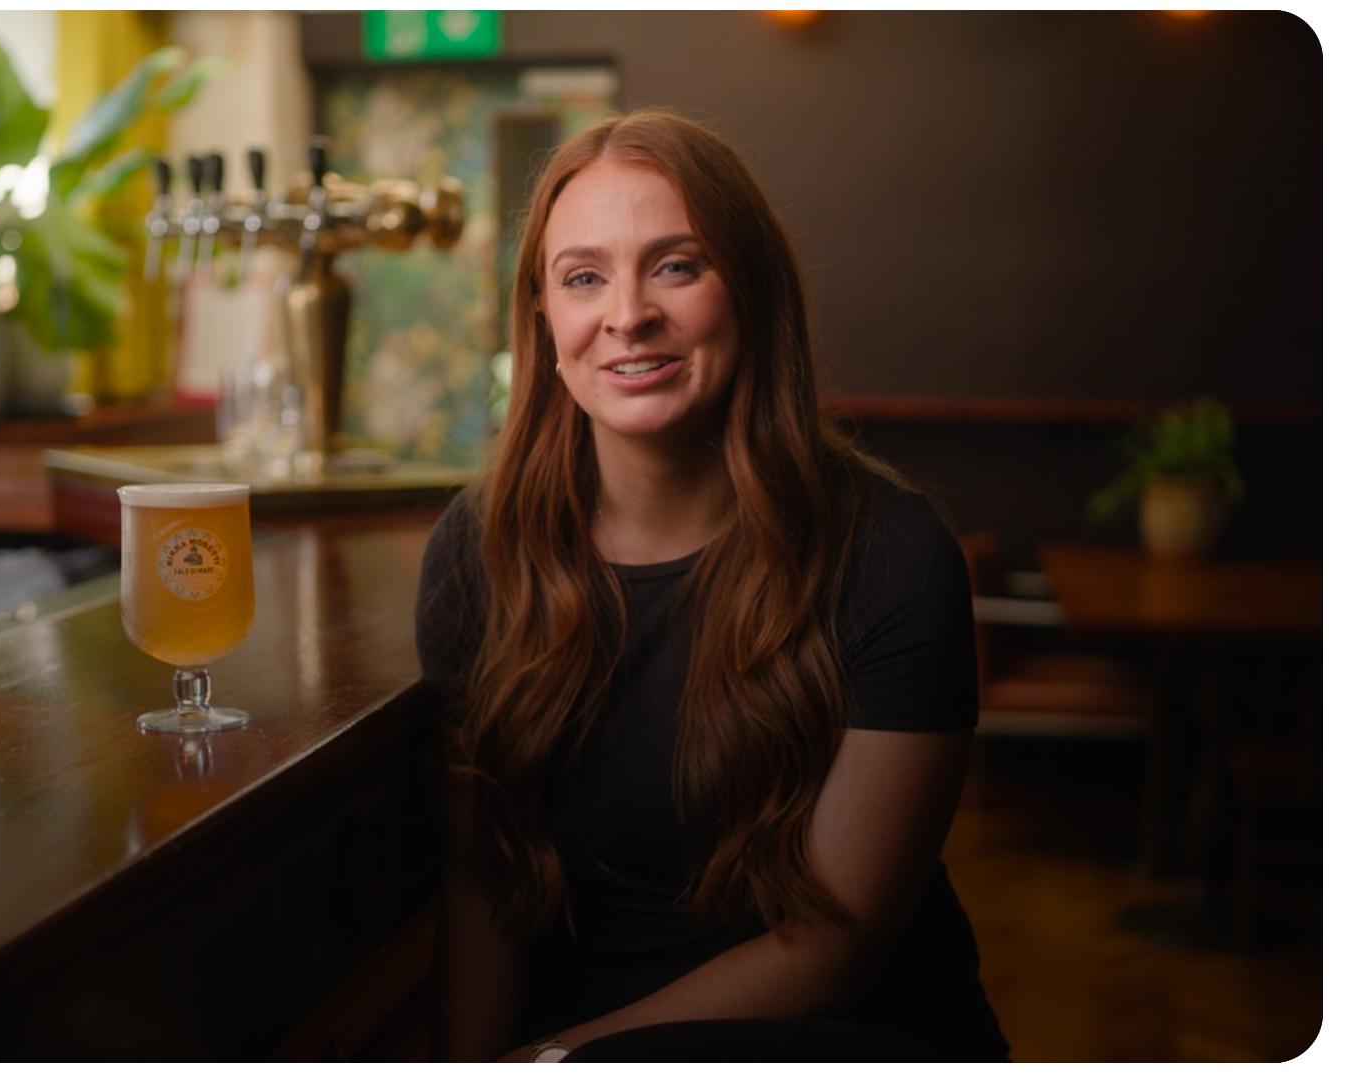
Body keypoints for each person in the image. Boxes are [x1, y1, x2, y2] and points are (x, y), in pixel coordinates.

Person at [415, 109, 1010, 1063]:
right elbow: (484, 887)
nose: (627, 314)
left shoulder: (891, 555)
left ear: (753, 291)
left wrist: (550, 1064)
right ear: (544, 318)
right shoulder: (477, 554)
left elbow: (832, 950)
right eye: (583, 278)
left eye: (677, 265)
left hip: (833, 1041)